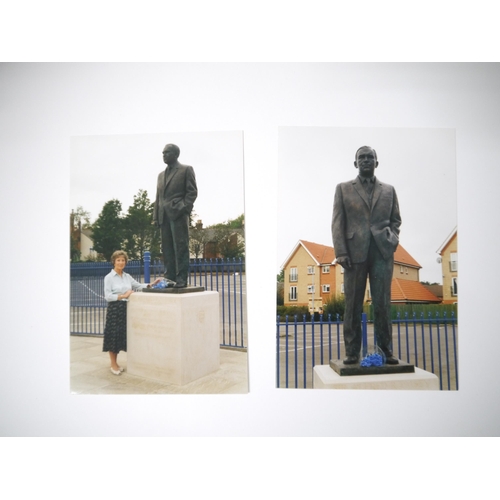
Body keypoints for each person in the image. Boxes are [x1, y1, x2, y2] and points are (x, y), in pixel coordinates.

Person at [331, 146, 402, 365]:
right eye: (361, 158)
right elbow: (337, 222)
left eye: (370, 157)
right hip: (353, 253)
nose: (365, 160)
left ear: (376, 163)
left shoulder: (389, 190)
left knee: (382, 303)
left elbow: (396, 220)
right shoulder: (343, 189)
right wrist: (341, 252)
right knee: (352, 304)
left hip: (382, 252)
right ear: (355, 163)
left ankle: (385, 351)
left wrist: (391, 240)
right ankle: (352, 352)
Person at [103, 250, 161, 375]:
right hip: (114, 309)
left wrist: (151, 284)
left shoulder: (127, 276)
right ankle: (113, 364)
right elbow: (107, 296)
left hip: (126, 309)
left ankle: (116, 363)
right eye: (118, 260)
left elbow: (138, 286)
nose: (121, 262)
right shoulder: (109, 278)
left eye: (123, 260)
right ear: (114, 262)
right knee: (113, 337)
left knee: (120, 337)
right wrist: (124, 295)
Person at [153, 144, 198, 288]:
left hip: (178, 214)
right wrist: (155, 217)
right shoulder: (160, 175)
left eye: (166, 152)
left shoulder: (186, 170)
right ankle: (170, 277)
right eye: (163, 153)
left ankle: (181, 279)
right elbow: (158, 197)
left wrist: (183, 208)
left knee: (180, 246)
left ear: (175, 154)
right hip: (163, 216)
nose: (163, 155)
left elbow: (192, 192)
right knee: (167, 248)